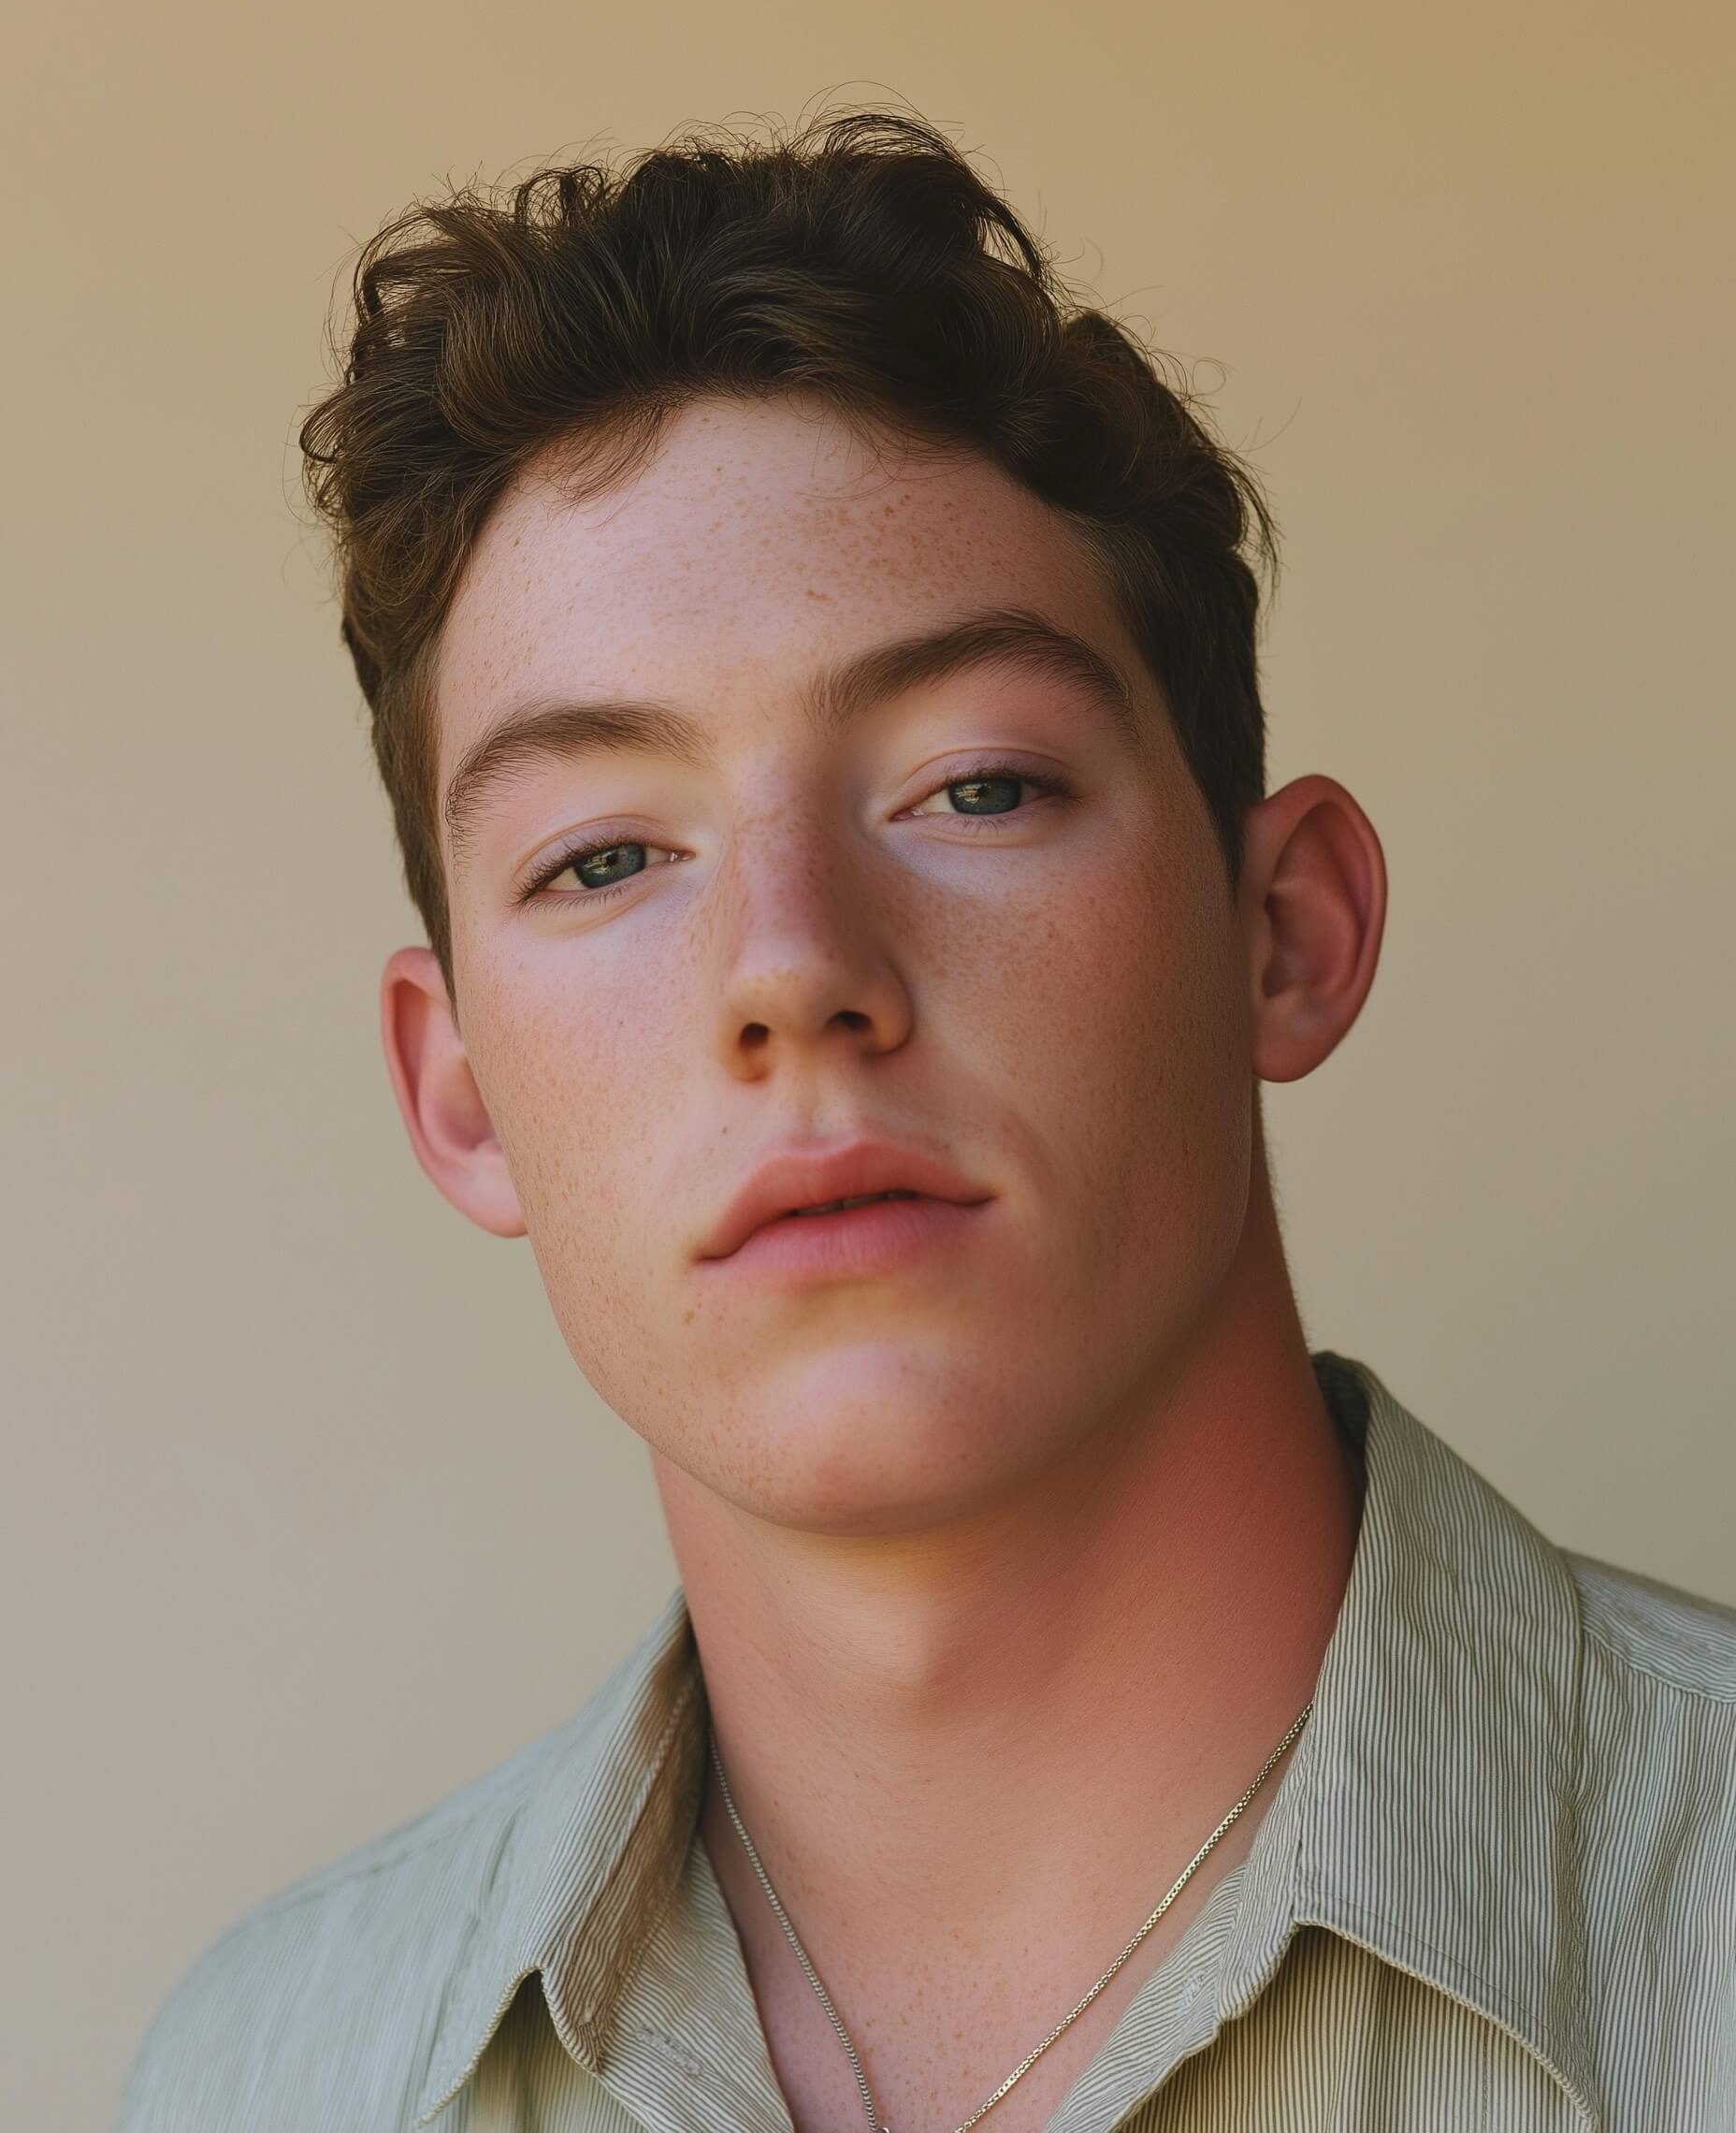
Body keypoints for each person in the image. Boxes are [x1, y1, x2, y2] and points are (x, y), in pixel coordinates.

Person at [119, 109, 1735, 2132]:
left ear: (1285, 932)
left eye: (974, 785)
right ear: (459, 1094)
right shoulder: (267, 2081)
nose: (792, 968)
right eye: (607, 854)